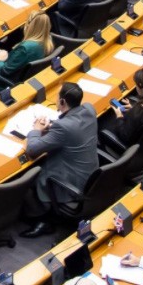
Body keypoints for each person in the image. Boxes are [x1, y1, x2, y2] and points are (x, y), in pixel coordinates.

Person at [20, 83, 100, 235]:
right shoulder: (89, 109)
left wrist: (36, 131)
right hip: (90, 176)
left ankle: (41, 217)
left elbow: (32, 150)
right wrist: (52, 126)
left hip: (70, 183)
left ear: (62, 102)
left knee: (27, 177)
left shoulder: (63, 127)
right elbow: (74, 126)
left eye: (57, 96)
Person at [0, 12, 53, 94]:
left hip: (8, 76)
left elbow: (5, 70)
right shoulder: (47, 41)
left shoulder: (25, 48)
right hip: (17, 67)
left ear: (29, 27)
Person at [100, 67, 143, 151]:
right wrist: (133, 109)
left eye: (136, 85)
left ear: (142, 88)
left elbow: (124, 135)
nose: (136, 88)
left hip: (129, 140)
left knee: (101, 122)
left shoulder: (139, 111)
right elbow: (142, 117)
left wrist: (119, 115)